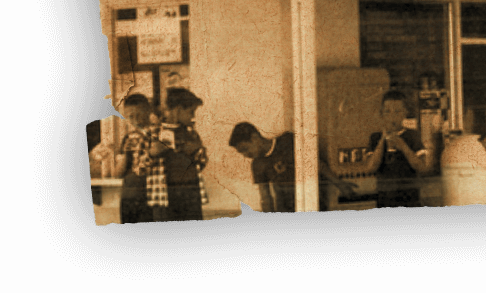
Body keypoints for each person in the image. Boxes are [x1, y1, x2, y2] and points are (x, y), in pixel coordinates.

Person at [229, 122, 357, 212]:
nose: (246, 155)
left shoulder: (287, 140)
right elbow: (265, 196)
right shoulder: (257, 164)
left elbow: (317, 164)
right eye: (242, 153)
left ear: (255, 137)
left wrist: (339, 184)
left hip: (310, 201)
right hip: (284, 208)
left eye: (245, 149)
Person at [147, 87, 207, 222]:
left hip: (191, 193)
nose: (193, 117)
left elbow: (202, 162)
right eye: (191, 112)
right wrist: (151, 153)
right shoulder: (154, 132)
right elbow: (139, 168)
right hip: (165, 196)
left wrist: (198, 150)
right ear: (178, 109)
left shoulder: (191, 133)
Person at [365, 91, 431, 208]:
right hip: (384, 199)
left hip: (410, 198)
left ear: (405, 113)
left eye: (397, 111)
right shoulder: (375, 137)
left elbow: (422, 167)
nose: (392, 116)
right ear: (382, 114)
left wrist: (403, 146)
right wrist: (382, 140)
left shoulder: (412, 136)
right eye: (387, 112)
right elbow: (370, 167)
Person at [117, 93, 156, 224]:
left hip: (150, 195)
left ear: (148, 111)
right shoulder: (128, 139)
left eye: (139, 115)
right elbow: (119, 173)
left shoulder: (158, 135)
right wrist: (124, 154)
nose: (136, 121)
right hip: (129, 194)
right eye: (131, 117)